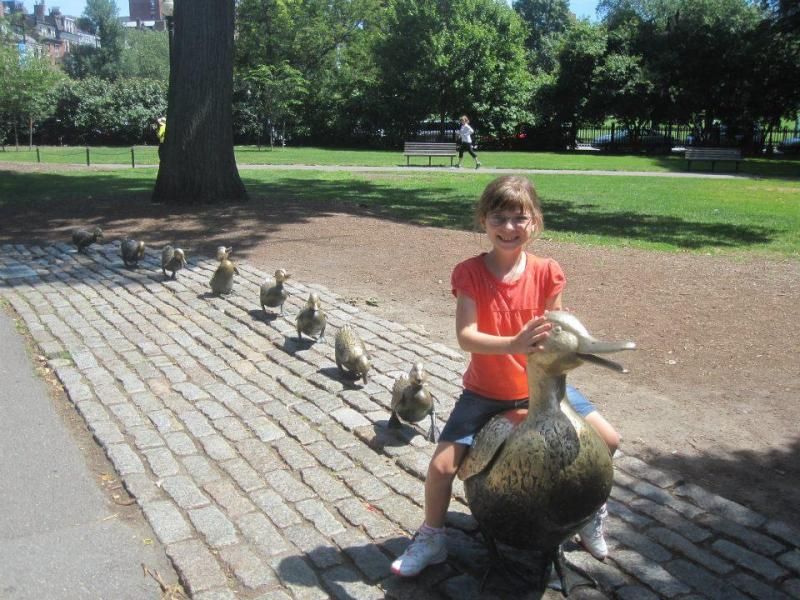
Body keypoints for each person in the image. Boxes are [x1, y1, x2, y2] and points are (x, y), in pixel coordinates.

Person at [390, 175, 620, 577]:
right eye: (500, 217)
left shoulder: (548, 272)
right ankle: (432, 536)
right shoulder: (470, 273)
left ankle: (590, 515)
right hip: (487, 392)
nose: (509, 228)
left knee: (610, 440)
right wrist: (513, 343)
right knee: (442, 468)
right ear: (483, 220)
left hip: (542, 390)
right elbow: (466, 336)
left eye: (520, 218)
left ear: (535, 223)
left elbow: (555, 328)